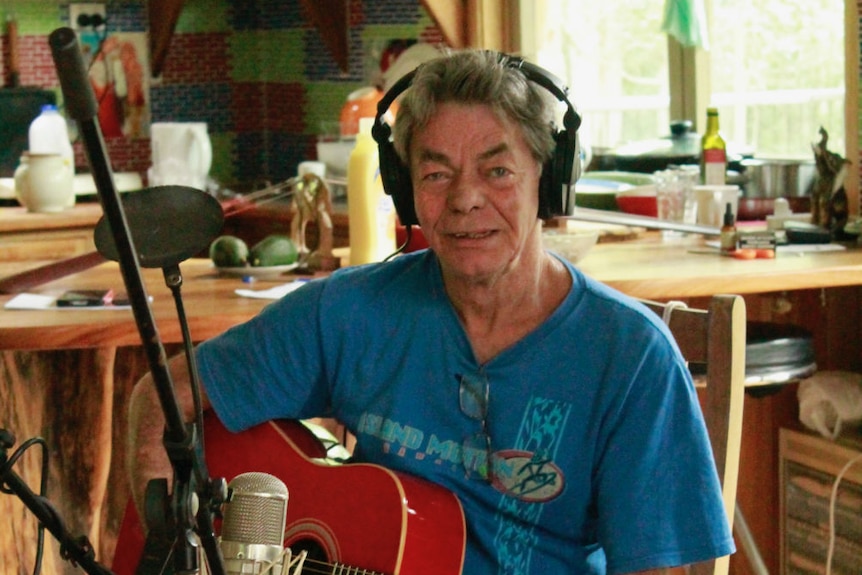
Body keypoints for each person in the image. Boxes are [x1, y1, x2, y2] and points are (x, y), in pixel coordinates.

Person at [127, 49, 734, 574]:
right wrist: (178, 554)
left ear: (546, 181)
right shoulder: (350, 313)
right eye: (436, 173)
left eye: (497, 171)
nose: (466, 199)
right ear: (406, 189)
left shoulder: (631, 359)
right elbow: (160, 400)